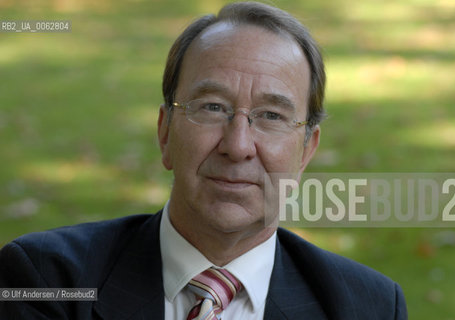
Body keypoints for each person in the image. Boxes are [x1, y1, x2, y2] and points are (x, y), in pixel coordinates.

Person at [0, 2, 407, 319]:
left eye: (271, 116)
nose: (238, 145)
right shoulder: (47, 279)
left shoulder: (367, 306)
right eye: (212, 107)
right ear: (165, 132)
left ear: (305, 151)